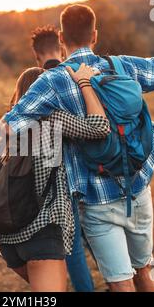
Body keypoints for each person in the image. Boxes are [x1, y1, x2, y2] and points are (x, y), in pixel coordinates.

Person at [1, 4, 154, 292]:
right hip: (138, 189)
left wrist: (54, 122)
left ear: (61, 38)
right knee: (144, 273)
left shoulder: (53, 81)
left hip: (96, 201)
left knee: (121, 284)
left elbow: (9, 127)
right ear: (94, 35)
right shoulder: (124, 66)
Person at [0, 66, 110, 292]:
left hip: (7, 238)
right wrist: (85, 84)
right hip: (42, 233)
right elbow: (100, 128)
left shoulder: (5, 123)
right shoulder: (51, 117)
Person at [30, 24, 95, 292]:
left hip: (58, 178)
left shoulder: (38, 84)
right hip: (92, 168)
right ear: (62, 44)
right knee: (101, 235)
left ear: (36, 56)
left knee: (73, 246)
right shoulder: (77, 75)